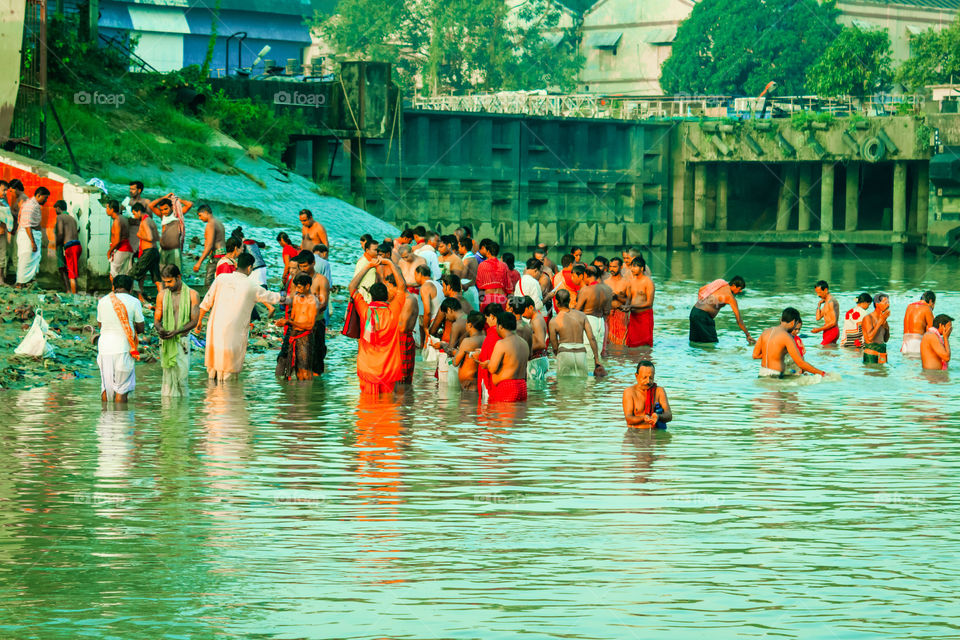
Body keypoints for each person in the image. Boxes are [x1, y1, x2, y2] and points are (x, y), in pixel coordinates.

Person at [196, 253, 282, 381]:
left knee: (213, 368)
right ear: (250, 268)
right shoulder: (252, 286)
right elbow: (273, 297)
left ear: (236, 264)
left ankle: (212, 398)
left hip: (216, 329)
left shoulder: (221, 279)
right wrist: (293, 297)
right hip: (233, 333)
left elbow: (206, 302)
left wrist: (199, 322)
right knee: (228, 372)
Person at [348, 257, 407, 395]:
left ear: (371, 296)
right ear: (387, 296)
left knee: (367, 409)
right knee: (387, 409)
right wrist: (391, 264)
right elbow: (402, 287)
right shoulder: (393, 311)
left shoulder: (365, 311)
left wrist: (368, 266)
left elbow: (352, 287)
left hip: (367, 367)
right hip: (388, 369)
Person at [96, 275, 145, 403]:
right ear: (130, 289)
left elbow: (100, 325)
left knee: (106, 387)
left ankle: (106, 418)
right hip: (123, 348)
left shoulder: (103, 301)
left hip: (104, 349)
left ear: (113, 287)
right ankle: (120, 419)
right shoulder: (134, 302)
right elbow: (141, 328)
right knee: (122, 389)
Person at [154, 265, 199, 397]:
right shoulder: (162, 295)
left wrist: (177, 332)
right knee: (167, 382)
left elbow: (194, 321)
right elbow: (157, 319)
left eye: (170, 281)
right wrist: (160, 329)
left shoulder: (192, 294)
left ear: (178, 277)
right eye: (165, 282)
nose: (167, 285)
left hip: (182, 341)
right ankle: (169, 411)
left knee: (182, 378)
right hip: (167, 341)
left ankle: (182, 412)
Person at [752, 307, 826, 377]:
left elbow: (755, 355)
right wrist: (822, 373)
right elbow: (800, 363)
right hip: (775, 375)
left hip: (762, 373)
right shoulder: (787, 337)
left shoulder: (765, 332)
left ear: (781, 319)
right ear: (793, 322)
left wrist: (775, 353)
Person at [291, 250, 330, 375]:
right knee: (298, 360)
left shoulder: (321, 280)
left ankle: (316, 392)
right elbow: (292, 298)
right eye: (300, 266)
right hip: (298, 325)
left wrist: (310, 309)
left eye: (305, 266)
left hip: (316, 323)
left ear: (313, 263)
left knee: (317, 358)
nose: (303, 269)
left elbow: (323, 303)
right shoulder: (298, 279)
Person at [275, 273, 320, 381]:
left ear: (308, 286)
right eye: (296, 287)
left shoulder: (313, 301)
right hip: (293, 335)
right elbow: (293, 318)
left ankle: (306, 394)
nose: (297, 289)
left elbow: (310, 325)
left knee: (304, 369)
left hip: (305, 337)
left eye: (300, 287)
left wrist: (289, 323)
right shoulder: (296, 298)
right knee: (292, 368)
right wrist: (284, 322)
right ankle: (296, 395)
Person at [549, 289, 601, 377]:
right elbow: (591, 338)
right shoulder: (582, 315)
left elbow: (554, 346)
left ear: (556, 302)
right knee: (581, 387)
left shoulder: (554, 321)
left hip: (564, 354)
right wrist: (596, 360)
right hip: (581, 353)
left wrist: (558, 355)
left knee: (564, 386)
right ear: (569, 301)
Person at [480, 312, 530, 403]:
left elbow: (492, 368)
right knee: (519, 416)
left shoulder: (501, 344)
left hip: (507, 388)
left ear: (500, 327)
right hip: (522, 387)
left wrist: (488, 364)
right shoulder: (524, 343)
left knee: (504, 416)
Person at [689, 276, 752, 344]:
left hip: (694, 312)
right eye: (740, 289)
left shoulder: (720, 283)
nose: (740, 291)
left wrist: (701, 305)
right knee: (712, 343)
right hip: (703, 317)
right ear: (733, 285)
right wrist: (747, 334)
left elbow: (701, 289)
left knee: (695, 342)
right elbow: (739, 320)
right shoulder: (730, 297)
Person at [622, 360, 673, 429]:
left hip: (655, 433)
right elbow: (629, 419)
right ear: (636, 376)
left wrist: (658, 416)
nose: (648, 381)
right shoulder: (629, 392)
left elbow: (669, 416)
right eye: (644, 377)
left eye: (651, 378)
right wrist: (643, 418)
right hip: (636, 433)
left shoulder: (659, 391)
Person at [573, 265, 611, 355]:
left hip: (589, 321)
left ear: (586, 275)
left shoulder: (585, 290)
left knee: (588, 354)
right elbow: (607, 312)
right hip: (601, 323)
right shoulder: (607, 290)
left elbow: (577, 311)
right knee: (598, 353)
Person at [15, 186, 48, 288]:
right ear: (38, 195)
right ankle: (20, 283)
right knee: (25, 259)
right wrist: (33, 242)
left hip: (32, 236)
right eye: (45, 198)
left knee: (31, 260)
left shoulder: (35, 205)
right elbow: (27, 225)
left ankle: (27, 283)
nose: (46, 200)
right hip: (28, 237)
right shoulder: (30, 205)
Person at [149, 195, 192, 270]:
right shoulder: (163, 216)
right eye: (162, 210)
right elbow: (151, 205)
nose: (164, 211)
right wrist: (165, 197)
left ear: (172, 207)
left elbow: (189, 204)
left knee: (176, 271)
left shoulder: (177, 215)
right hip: (163, 249)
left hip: (174, 250)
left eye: (166, 209)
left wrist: (178, 200)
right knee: (162, 271)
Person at [131, 203, 162, 304]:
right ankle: (163, 299)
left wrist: (139, 235)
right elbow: (157, 237)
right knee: (156, 278)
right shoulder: (151, 220)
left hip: (148, 252)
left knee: (134, 274)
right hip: (154, 251)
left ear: (139, 211)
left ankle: (141, 299)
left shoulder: (144, 222)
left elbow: (150, 238)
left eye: (134, 214)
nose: (134, 216)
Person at [394, 274, 420, 385]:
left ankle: (404, 401)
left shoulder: (408, 300)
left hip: (403, 340)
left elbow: (403, 328)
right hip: (402, 340)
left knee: (402, 378)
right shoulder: (404, 299)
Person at [624, 256, 654, 347]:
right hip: (633, 317)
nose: (632, 269)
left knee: (645, 346)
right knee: (631, 345)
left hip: (644, 317)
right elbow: (629, 299)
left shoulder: (648, 282)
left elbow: (649, 303)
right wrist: (625, 306)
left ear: (642, 268)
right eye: (632, 266)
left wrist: (632, 306)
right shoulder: (631, 281)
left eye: (635, 266)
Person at [192, 205, 226, 287]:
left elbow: (210, 245)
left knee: (208, 283)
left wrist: (199, 262)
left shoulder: (210, 224)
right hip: (222, 255)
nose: (199, 218)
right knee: (219, 282)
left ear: (206, 213)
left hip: (216, 257)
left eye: (200, 215)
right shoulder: (218, 222)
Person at [453, 311, 486, 390]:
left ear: (469, 325)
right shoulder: (485, 338)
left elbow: (455, 362)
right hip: (478, 381)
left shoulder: (467, 341)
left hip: (468, 383)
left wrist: (455, 352)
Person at [54, 199, 81, 294]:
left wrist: (55, 244)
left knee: (72, 274)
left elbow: (61, 233)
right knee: (72, 271)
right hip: (77, 245)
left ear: (58, 208)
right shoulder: (72, 218)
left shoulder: (60, 217)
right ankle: (72, 292)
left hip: (70, 247)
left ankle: (73, 295)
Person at [520, 296, 549, 383]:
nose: (523, 315)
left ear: (531, 307)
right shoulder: (536, 319)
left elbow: (541, 344)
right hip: (538, 360)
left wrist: (524, 351)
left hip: (537, 361)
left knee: (536, 391)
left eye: (523, 311)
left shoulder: (536, 320)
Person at [475, 239, 510, 309]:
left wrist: (481, 302)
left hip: (488, 298)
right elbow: (508, 286)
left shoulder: (482, 265)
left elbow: (480, 286)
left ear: (488, 252)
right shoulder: (504, 265)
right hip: (501, 298)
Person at [106, 199, 134, 284]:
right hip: (128, 249)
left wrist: (109, 251)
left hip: (121, 250)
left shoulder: (117, 221)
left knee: (113, 275)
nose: (106, 210)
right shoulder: (123, 218)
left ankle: (115, 293)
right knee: (126, 275)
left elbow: (117, 240)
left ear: (112, 209)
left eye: (107, 208)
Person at [902, 291, 936, 356]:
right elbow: (932, 331)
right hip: (917, 344)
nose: (933, 307)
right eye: (934, 304)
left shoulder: (909, 307)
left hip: (905, 344)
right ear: (931, 301)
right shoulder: (927, 308)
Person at [605, 257, 629, 346]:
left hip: (621, 316)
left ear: (621, 267)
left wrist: (617, 296)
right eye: (610, 266)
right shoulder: (605, 282)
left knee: (621, 343)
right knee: (608, 343)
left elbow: (629, 302)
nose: (611, 269)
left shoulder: (626, 282)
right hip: (608, 315)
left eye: (614, 267)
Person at [861, 293, 891, 364]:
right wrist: (880, 323)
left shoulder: (883, 318)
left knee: (883, 374)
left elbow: (886, 339)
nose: (888, 305)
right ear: (877, 304)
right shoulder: (868, 318)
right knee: (872, 373)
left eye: (888, 302)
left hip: (882, 354)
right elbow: (869, 338)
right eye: (886, 303)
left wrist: (886, 326)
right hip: (871, 355)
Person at [811, 280, 839, 345]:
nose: (818, 295)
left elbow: (833, 322)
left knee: (821, 348)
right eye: (817, 293)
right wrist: (819, 305)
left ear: (825, 290)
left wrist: (819, 329)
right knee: (828, 352)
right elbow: (818, 318)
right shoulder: (826, 302)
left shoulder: (831, 302)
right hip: (826, 330)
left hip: (832, 331)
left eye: (819, 292)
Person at [312, 243, 333, 326]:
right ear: (324, 253)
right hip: (320, 292)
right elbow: (328, 283)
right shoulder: (325, 263)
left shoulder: (308, 259)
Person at [353, 238, 381, 302]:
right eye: (376, 250)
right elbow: (355, 281)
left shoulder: (373, 261)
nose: (378, 252)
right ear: (367, 250)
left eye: (379, 250)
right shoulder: (363, 262)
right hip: (364, 296)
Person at [457, 235, 480, 309]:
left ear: (463, 247)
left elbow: (462, 276)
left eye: (459, 247)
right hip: (473, 289)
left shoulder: (466, 260)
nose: (458, 249)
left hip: (467, 290)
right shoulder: (474, 258)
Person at [0, 179, 12, 283]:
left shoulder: (5, 203)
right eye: (4, 190)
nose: (5, 193)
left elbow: (8, 218)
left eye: (6, 190)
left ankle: (1, 279)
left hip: (2, 233)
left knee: (2, 257)